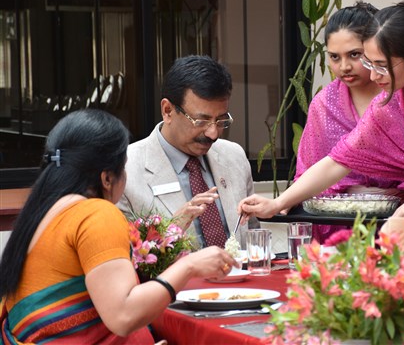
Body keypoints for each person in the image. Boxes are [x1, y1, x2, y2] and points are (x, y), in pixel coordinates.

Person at [239, 0, 404, 244]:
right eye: (369, 63)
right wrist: (277, 203)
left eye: (381, 65)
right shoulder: (389, 102)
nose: (373, 76)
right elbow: (338, 160)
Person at [0, 109, 237, 343]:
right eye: (123, 168)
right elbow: (123, 316)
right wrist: (189, 265)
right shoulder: (95, 214)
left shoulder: (42, 213)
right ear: (106, 178)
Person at [118, 55, 258, 249]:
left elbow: (252, 237)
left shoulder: (234, 156)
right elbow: (125, 255)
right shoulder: (125, 170)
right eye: (201, 121)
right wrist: (172, 229)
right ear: (167, 110)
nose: (213, 133)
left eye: (221, 120)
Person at [295, 1, 400, 243]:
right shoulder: (324, 104)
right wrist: (352, 192)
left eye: (354, 55)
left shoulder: (402, 97)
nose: (344, 67)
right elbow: (307, 175)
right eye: (334, 57)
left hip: (403, 224)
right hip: (339, 232)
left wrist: (391, 194)